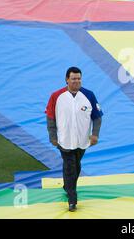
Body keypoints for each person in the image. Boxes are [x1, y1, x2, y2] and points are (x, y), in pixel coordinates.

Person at [46, 66, 103, 212]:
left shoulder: (89, 95)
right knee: (70, 166)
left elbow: (97, 118)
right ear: (67, 79)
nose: (77, 81)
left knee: (76, 165)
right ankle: (72, 199)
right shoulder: (56, 96)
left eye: (79, 78)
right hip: (64, 140)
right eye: (73, 79)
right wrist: (53, 136)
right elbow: (50, 118)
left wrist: (95, 134)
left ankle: (67, 186)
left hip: (82, 142)